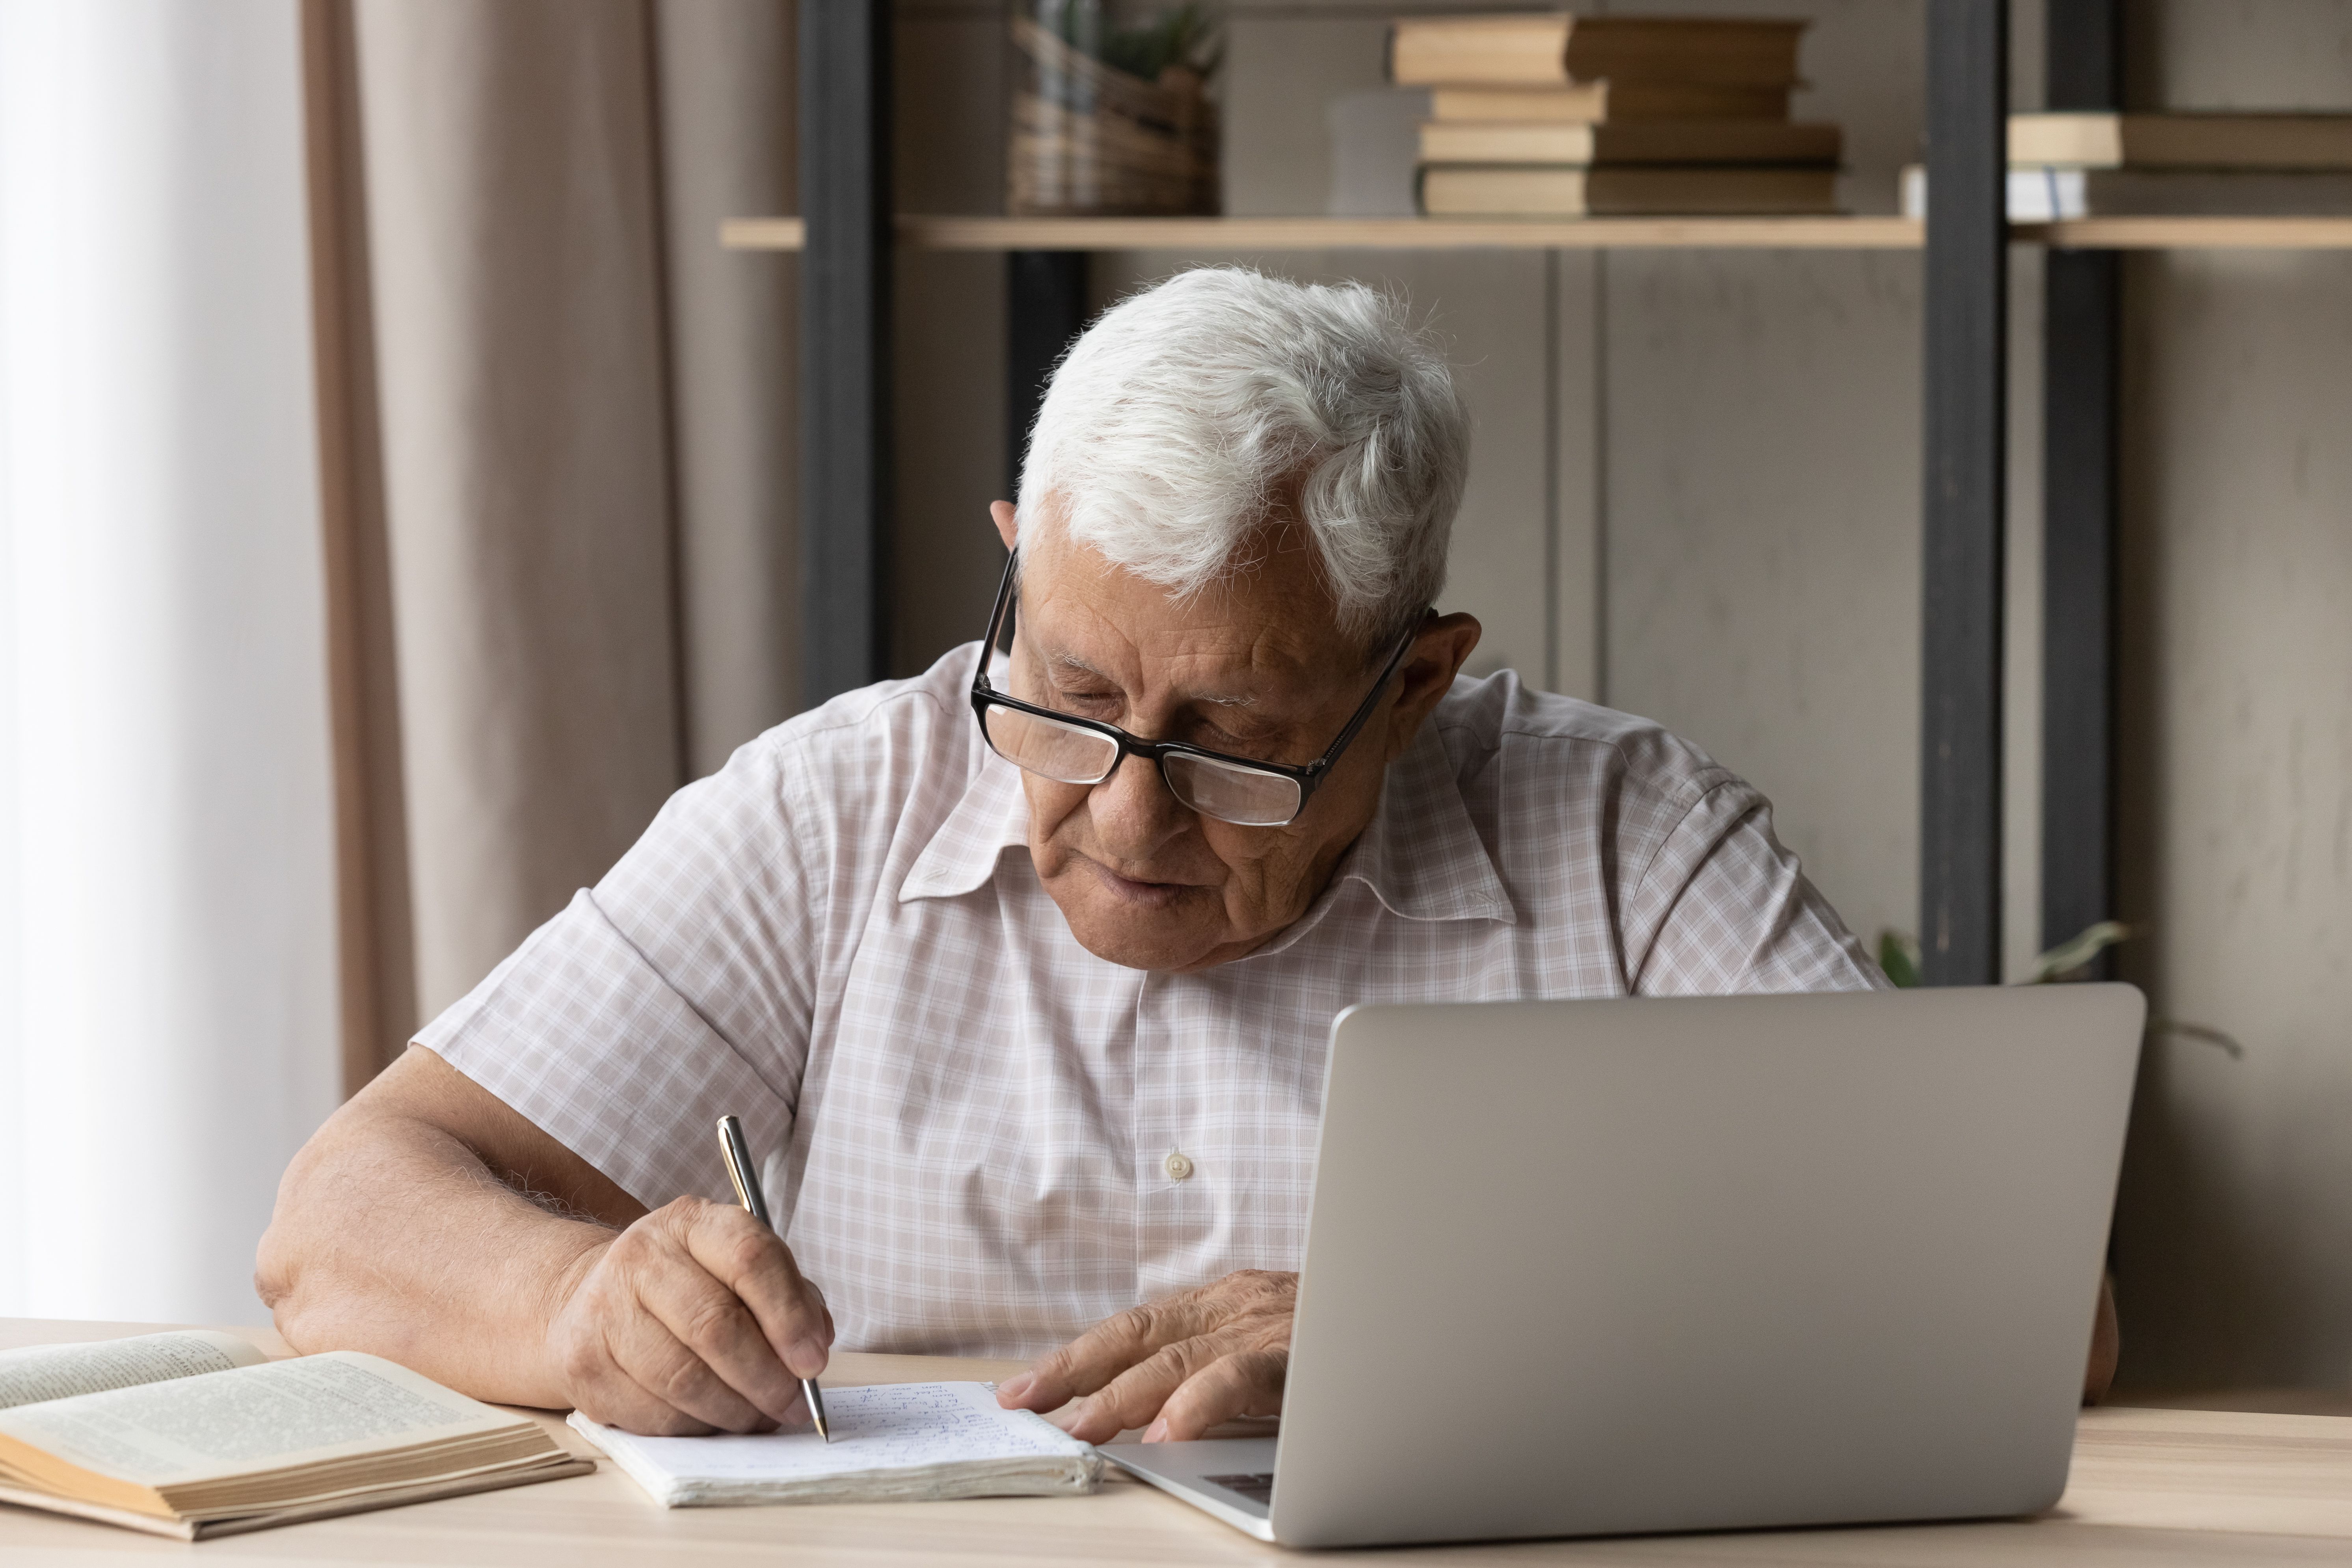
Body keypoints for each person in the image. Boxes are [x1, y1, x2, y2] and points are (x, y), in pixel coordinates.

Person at [259, 266, 2103, 1447]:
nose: (1123, 814)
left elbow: (2034, 1300)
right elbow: (337, 1227)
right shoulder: (838, 803)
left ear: (1414, 683)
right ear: (1014, 563)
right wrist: (576, 1298)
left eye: (1231, 740)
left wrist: (1437, 1332)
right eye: (1067, 696)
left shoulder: (1625, 835)